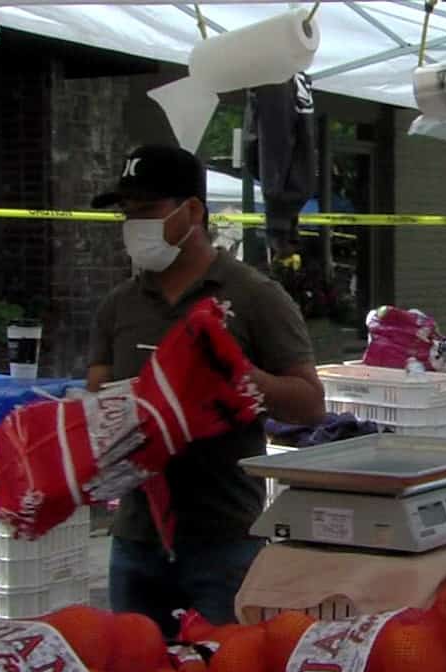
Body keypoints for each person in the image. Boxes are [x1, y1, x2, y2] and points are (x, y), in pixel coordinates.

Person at [87, 144, 325, 635]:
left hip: (223, 540)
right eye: (126, 216)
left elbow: (310, 405)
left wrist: (242, 379)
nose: (133, 226)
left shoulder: (255, 296)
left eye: (147, 212)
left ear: (192, 211)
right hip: (135, 538)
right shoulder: (118, 305)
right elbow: (96, 396)